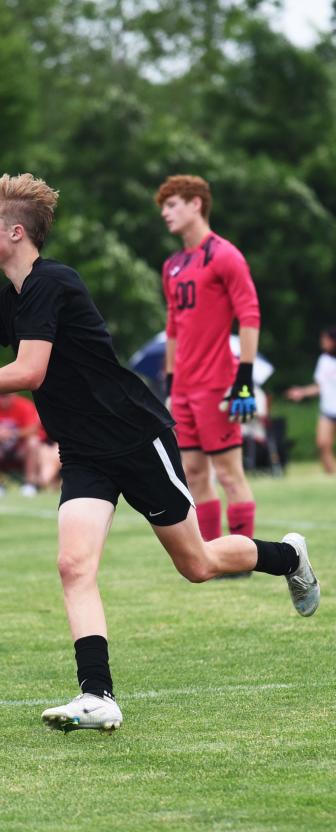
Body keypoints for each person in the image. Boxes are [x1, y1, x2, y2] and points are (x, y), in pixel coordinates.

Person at [0, 173, 320, 733]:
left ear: (17, 232)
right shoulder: (12, 301)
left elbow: (30, 371)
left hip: (134, 437)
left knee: (196, 565)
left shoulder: (56, 283)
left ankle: (288, 557)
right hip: (84, 453)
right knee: (73, 565)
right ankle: (97, 696)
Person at [156, 175, 261, 560]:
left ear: (196, 204)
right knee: (195, 474)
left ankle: (245, 557)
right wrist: (169, 384)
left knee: (231, 473)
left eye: (172, 205)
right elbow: (173, 328)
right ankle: (215, 556)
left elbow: (249, 315)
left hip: (219, 384)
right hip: (182, 388)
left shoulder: (225, 255)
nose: (165, 213)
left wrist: (244, 380)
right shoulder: (172, 265)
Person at [285, 326, 336, 474]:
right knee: (322, 443)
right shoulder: (324, 360)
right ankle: (331, 476)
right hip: (327, 409)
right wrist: (301, 392)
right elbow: (320, 386)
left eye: (325, 340)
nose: (323, 343)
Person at [0, 392, 43, 497]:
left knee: (33, 442)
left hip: (20, 448)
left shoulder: (25, 405)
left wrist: (14, 433)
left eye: (6, 396)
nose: (3, 400)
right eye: (0, 396)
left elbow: (33, 429)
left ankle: (30, 484)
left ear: (14, 395)